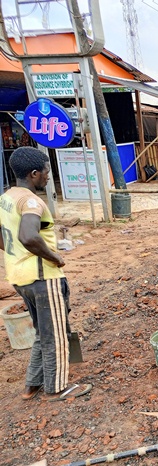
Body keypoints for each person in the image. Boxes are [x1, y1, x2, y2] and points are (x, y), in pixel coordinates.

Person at [0, 147, 92, 402]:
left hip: (19, 276)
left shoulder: (6, 198)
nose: (49, 176)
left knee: (43, 331)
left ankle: (33, 384)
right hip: (42, 277)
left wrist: (19, 253)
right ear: (33, 173)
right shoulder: (31, 202)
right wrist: (55, 257)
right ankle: (57, 388)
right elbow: (29, 235)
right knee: (56, 333)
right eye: (46, 171)